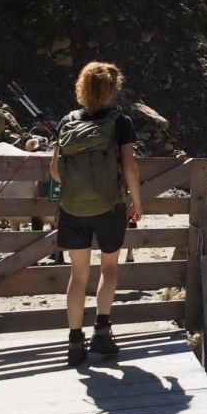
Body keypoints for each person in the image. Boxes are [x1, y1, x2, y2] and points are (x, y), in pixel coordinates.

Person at [49, 62, 143, 366]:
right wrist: (136, 202)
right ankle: (102, 333)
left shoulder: (67, 122)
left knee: (78, 275)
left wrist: (78, 187)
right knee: (109, 269)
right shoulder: (121, 122)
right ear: (111, 89)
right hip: (109, 206)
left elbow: (54, 170)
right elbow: (129, 166)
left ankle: (75, 343)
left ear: (83, 87)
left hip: (72, 208)